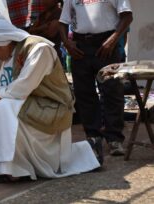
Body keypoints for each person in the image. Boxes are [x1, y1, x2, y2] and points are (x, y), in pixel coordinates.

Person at [0, 15, 100, 182]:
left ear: (4, 42)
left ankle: (13, 169)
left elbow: (22, 88)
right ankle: (5, 165)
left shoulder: (39, 49)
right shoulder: (6, 56)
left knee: (3, 108)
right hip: (29, 107)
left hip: (53, 109)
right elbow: (6, 92)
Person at [59, 0, 133, 158]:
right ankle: (93, 136)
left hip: (107, 44)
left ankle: (114, 138)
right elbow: (63, 22)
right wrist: (67, 43)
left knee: (112, 91)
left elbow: (127, 17)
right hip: (80, 46)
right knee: (84, 93)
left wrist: (113, 39)